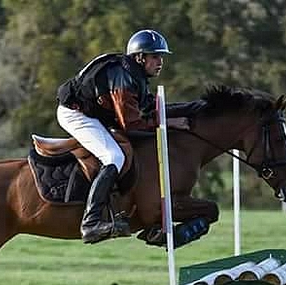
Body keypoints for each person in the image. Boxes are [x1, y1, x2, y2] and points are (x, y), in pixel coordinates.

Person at [56, 29, 189, 244]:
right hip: (75, 114)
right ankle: (91, 223)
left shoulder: (135, 75)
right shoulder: (123, 79)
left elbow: (145, 110)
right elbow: (132, 123)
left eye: (161, 57)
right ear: (140, 57)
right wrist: (170, 122)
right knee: (113, 156)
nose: (160, 62)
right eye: (155, 56)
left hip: (95, 114)